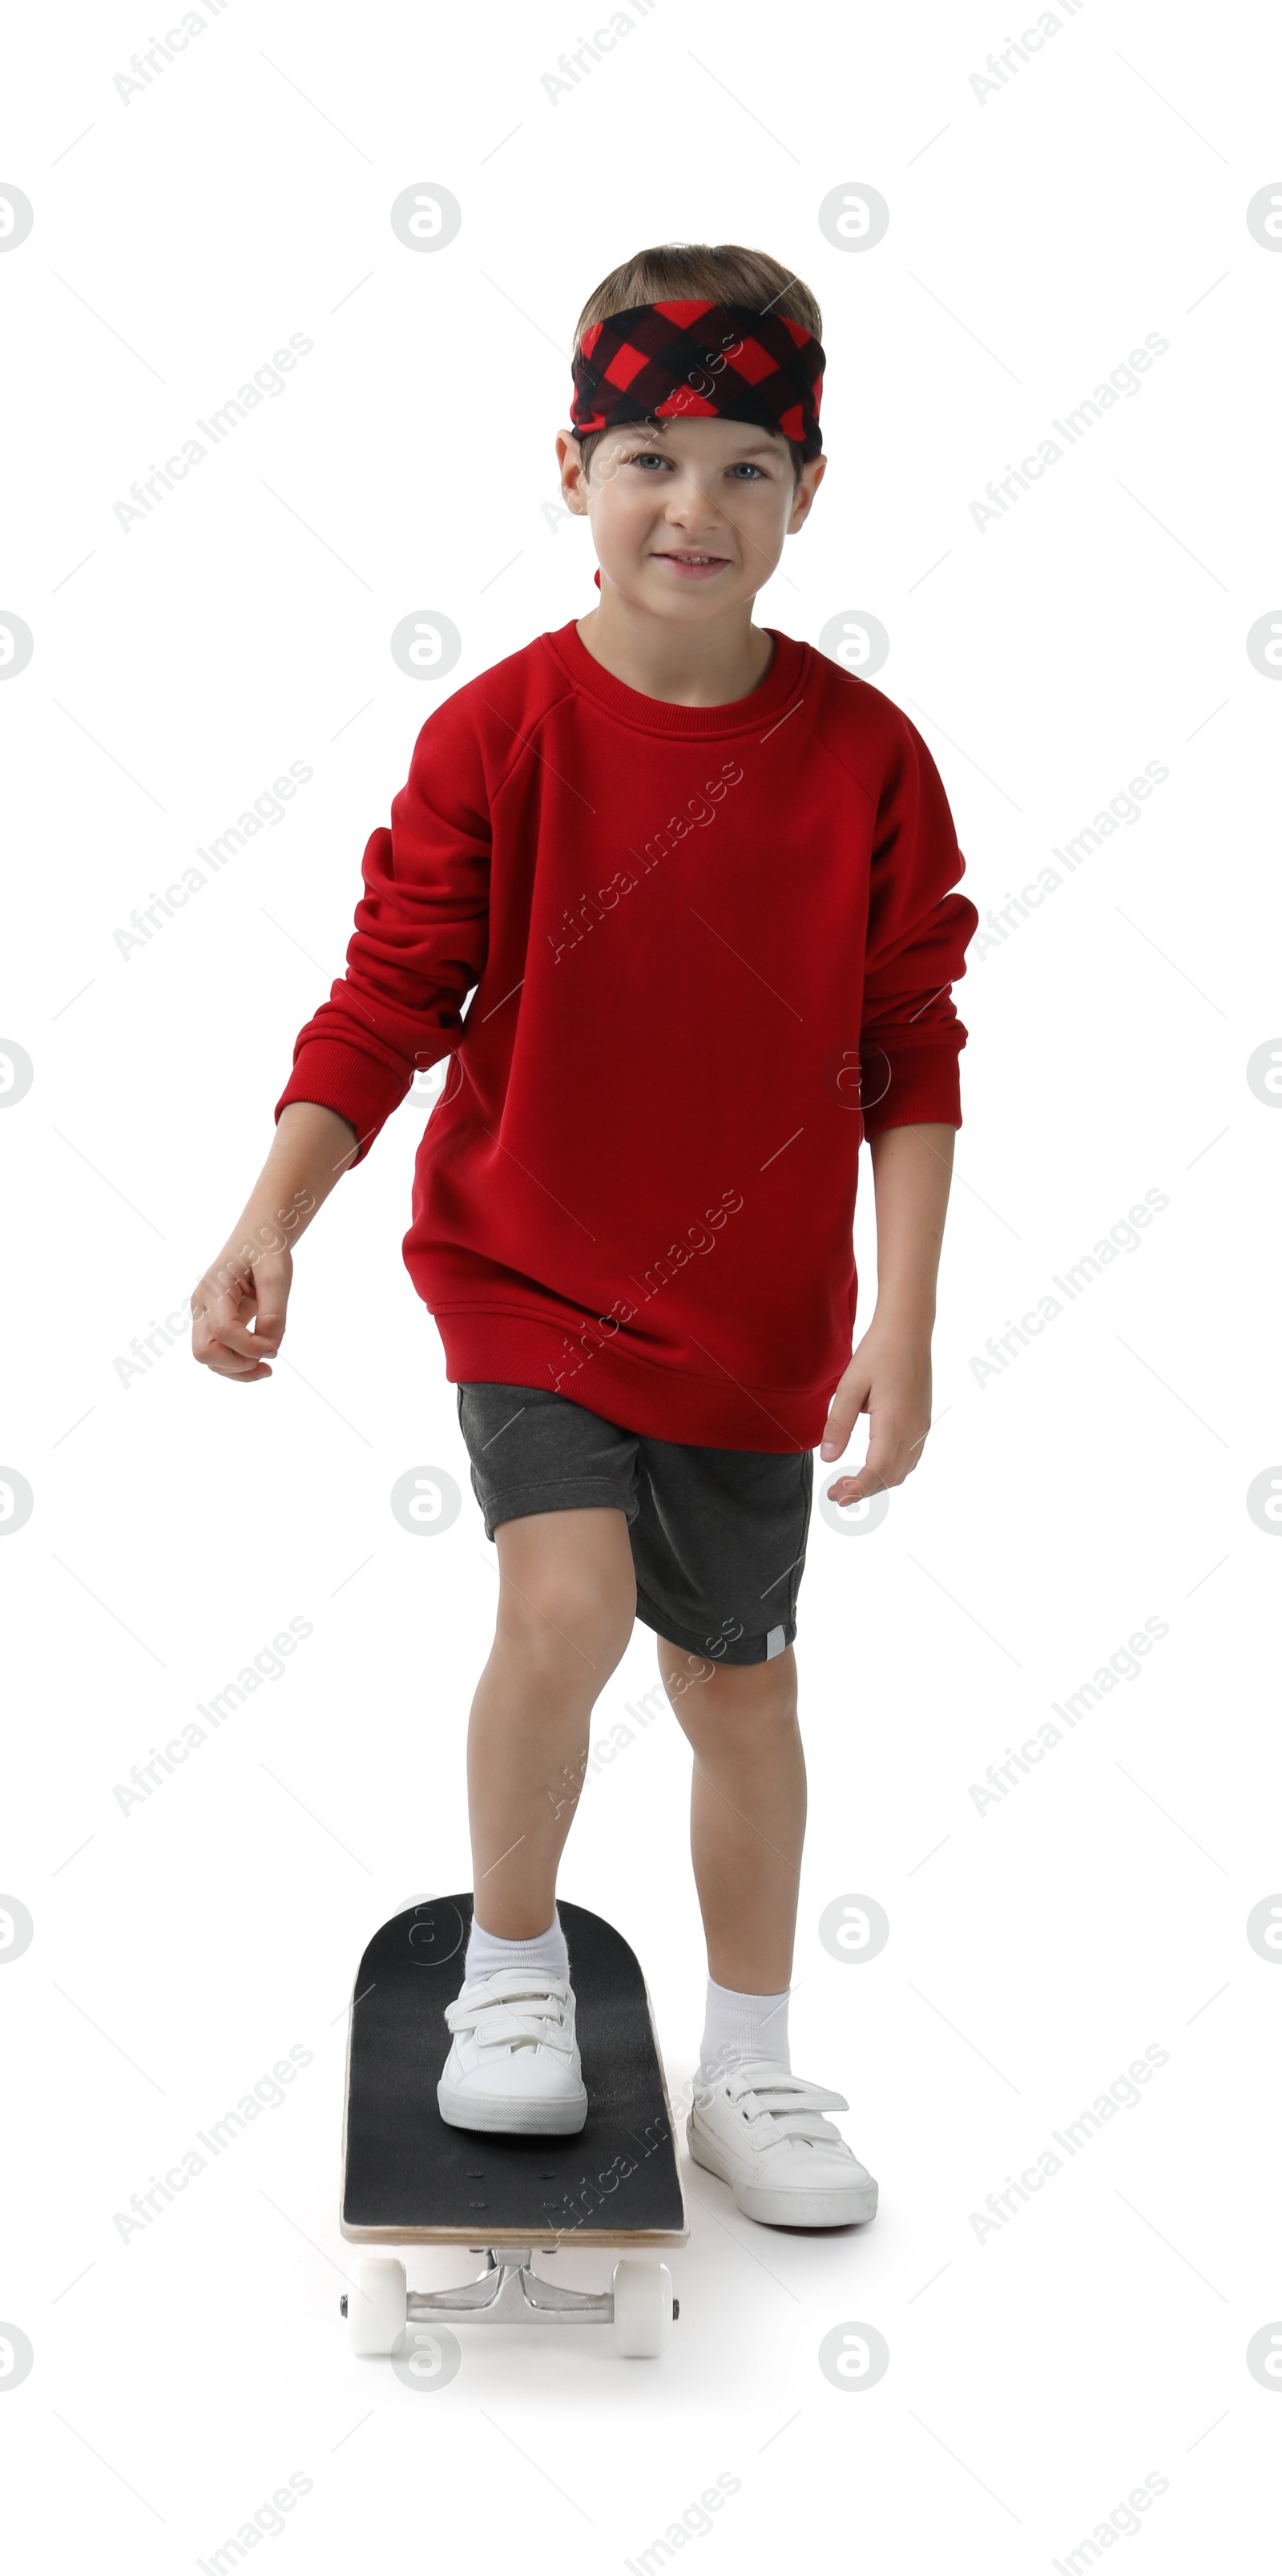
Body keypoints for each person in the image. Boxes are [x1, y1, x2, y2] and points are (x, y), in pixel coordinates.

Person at [191, 241, 978, 2232]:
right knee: (561, 1610)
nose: (689, 508)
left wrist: (903, 1316)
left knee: (741, 1693)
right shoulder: (497, 735)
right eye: (646, 454)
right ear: (569, 469)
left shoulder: (869, 761)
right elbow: (388, 997)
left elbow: (910, 1048)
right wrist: (271, 1213)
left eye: (740, 465)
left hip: (756, 1317)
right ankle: (514, 1970)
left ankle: (751, 2071)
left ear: (807, 492)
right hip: (523, 1273)